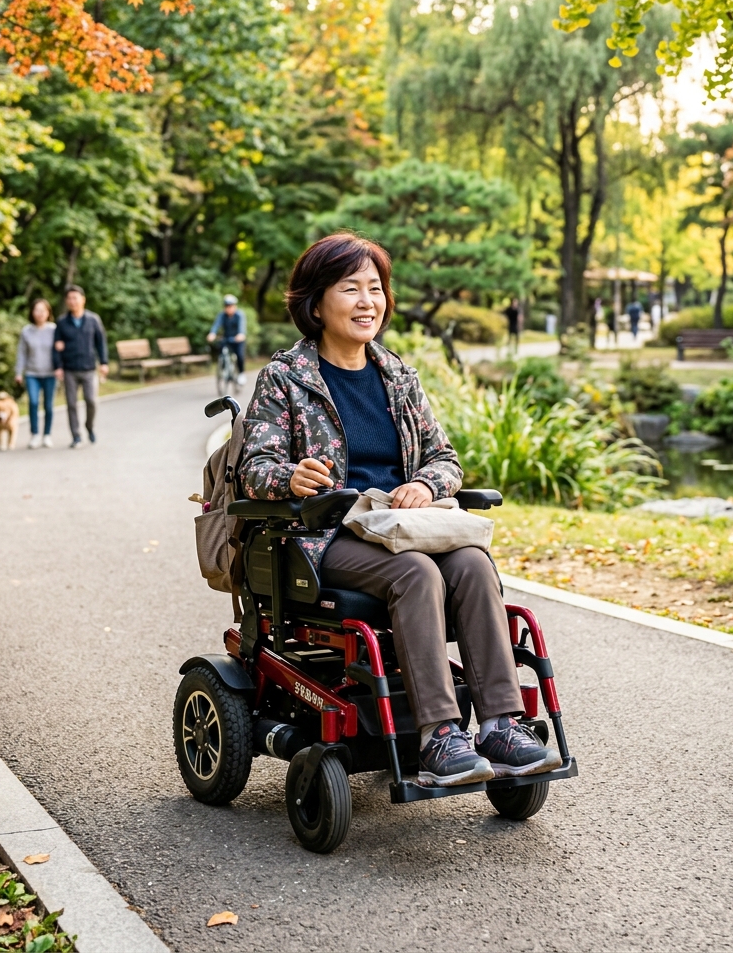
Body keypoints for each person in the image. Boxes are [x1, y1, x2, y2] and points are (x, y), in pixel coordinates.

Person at [239, 233, 561, 787]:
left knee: (472, 564)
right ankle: (439, 734)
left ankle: (501, 724)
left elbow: (444, 457)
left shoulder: (398, 376)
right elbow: (254, 466)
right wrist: (290, 476)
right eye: (351, 289)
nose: (369, 301)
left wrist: (425, 483)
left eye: (376, 288)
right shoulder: (286, 379)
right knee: (415, 574)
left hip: (403, 524)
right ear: (316, 303)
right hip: (325, 537)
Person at [53, 285, 108, 449]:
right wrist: (58, 366)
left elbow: (101, 343)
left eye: (75, 298)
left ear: (83, 300)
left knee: (91, 401)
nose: (72, 301)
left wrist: (104, 362)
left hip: (89, 368)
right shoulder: (62, 322)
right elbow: (55, 346)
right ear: (66, 301)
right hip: (69, 369)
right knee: (71, 404)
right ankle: (76, 435)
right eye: (69, 298)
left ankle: (89, 427)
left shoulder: (93, 320)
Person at [15, 298, 57, 449]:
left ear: (48, 313)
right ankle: (34, 434)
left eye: (43, 311)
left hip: (50, 373)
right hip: (32, 373)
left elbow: (59, 351)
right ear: (32, 312)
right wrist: (18, 372)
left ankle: (47, 435)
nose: (39, 314)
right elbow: (22, 353)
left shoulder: (54, 330)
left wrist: (61, 368)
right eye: (37, 310)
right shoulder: (26, 331)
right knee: (33, 403)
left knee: (49, 405)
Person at [206, 295, 247, 386]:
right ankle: (223, 367)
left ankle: (241, 373)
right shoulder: (222, 315)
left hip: (237, 339)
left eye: (231, 306)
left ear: (235, 306)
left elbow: (242, 327)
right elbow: (216, 325)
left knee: (240, 355)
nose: (229, 308)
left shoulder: (239, 315)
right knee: (221, 348)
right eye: (227, 306)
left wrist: (241, 334)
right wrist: (212, 333)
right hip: (227, 338)